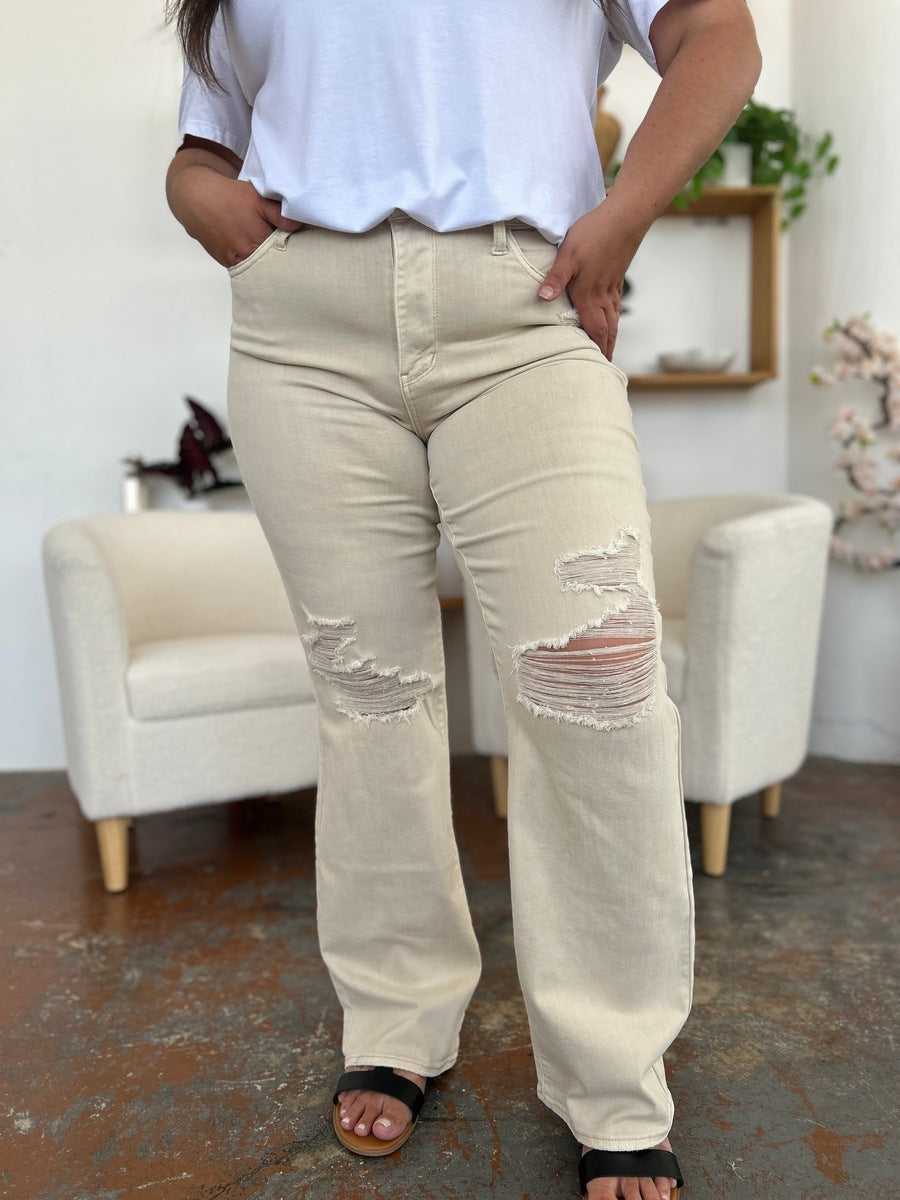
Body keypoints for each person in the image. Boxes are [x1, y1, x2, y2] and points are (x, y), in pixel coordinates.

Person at [165, 2, 761, 1196]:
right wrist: (196, 191)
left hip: (522, 296)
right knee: (369, 694)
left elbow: (718, 35)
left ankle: (612, 1077)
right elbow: (211, 138)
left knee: (600, 692)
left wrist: (625, 211)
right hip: (301, 330)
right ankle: (394, 1021)